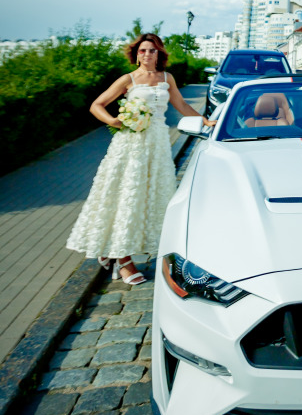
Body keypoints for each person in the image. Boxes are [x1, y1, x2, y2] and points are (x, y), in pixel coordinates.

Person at [66, 32, 215, 286]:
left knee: (152, 196)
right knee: (126, 196)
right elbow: (97, 105)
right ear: (136, 54)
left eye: (153, 50)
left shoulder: (167, 78)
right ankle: (122, 258)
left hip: (157, 144)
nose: (148, 54)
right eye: (143, 50)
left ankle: (116, 250)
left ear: (160, 54)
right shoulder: (128, 79)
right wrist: (114, 121)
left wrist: (205, 121)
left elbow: (181, 106)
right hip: (130, 146)